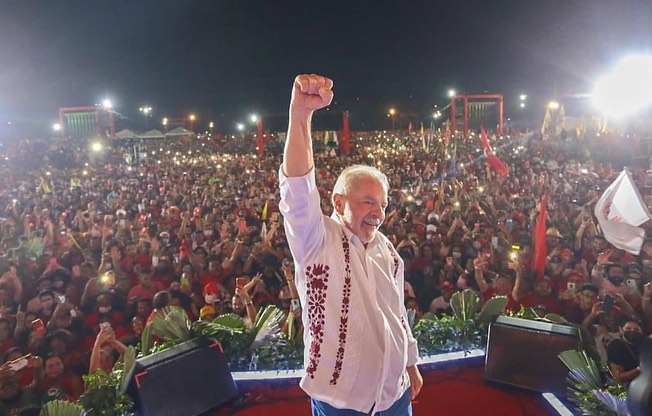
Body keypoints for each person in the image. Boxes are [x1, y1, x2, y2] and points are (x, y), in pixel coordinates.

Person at [280, 74, 421, 415]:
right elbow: (297, 189)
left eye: (383, 204)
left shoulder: (387, 250)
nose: (379, 212)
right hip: (340, 401)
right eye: (368, 202)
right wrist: (300, 114)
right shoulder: (317, 239)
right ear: (338, 201)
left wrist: (410, 362)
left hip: (394, 395)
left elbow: (396, 311)